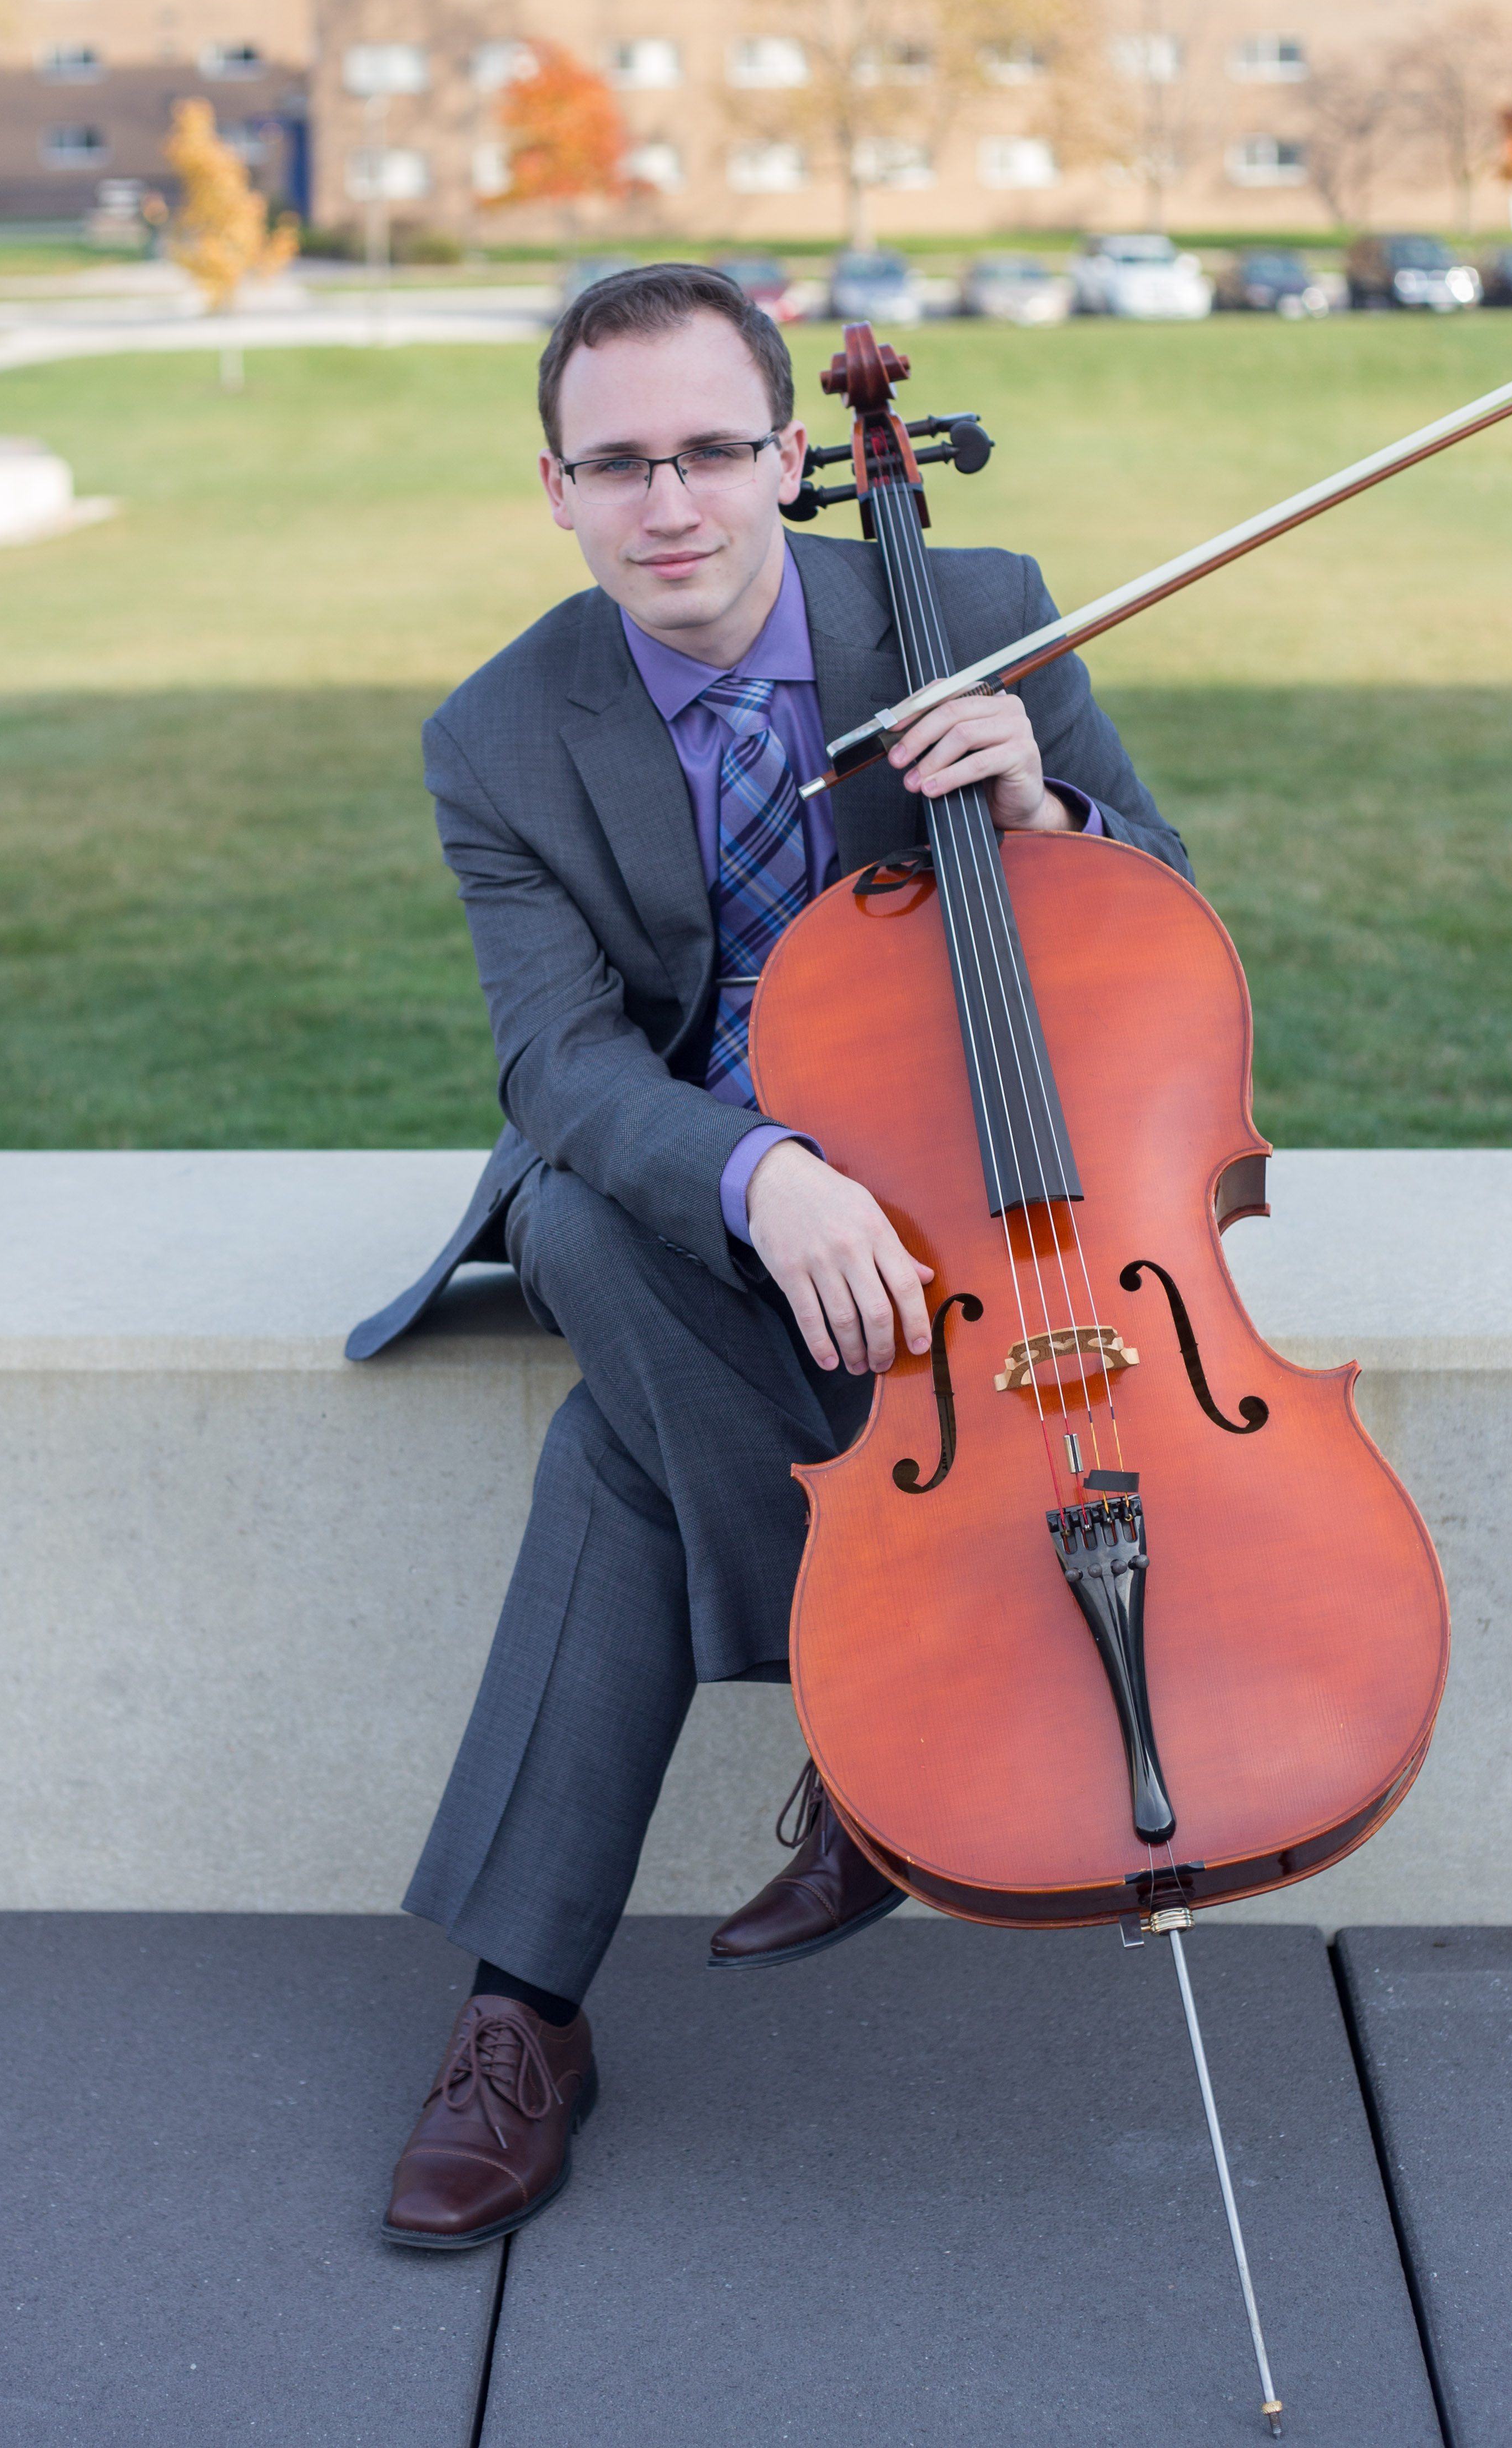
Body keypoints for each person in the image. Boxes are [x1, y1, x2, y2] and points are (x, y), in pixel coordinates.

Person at [346, 264, 1191, 2252]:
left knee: (614, 1463)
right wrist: (765, 1179)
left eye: (713, 452)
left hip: (974, 1185)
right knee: (577, 1212)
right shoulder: (501, 736)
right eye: (618, 464)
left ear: (791, 459)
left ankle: (520, 2016)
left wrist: (1051, 803)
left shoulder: (968, 614)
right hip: (692, 1205)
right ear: (553, 489)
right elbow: (560, 1062)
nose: (672, 506)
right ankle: (879, 1729)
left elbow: (1167, 914)